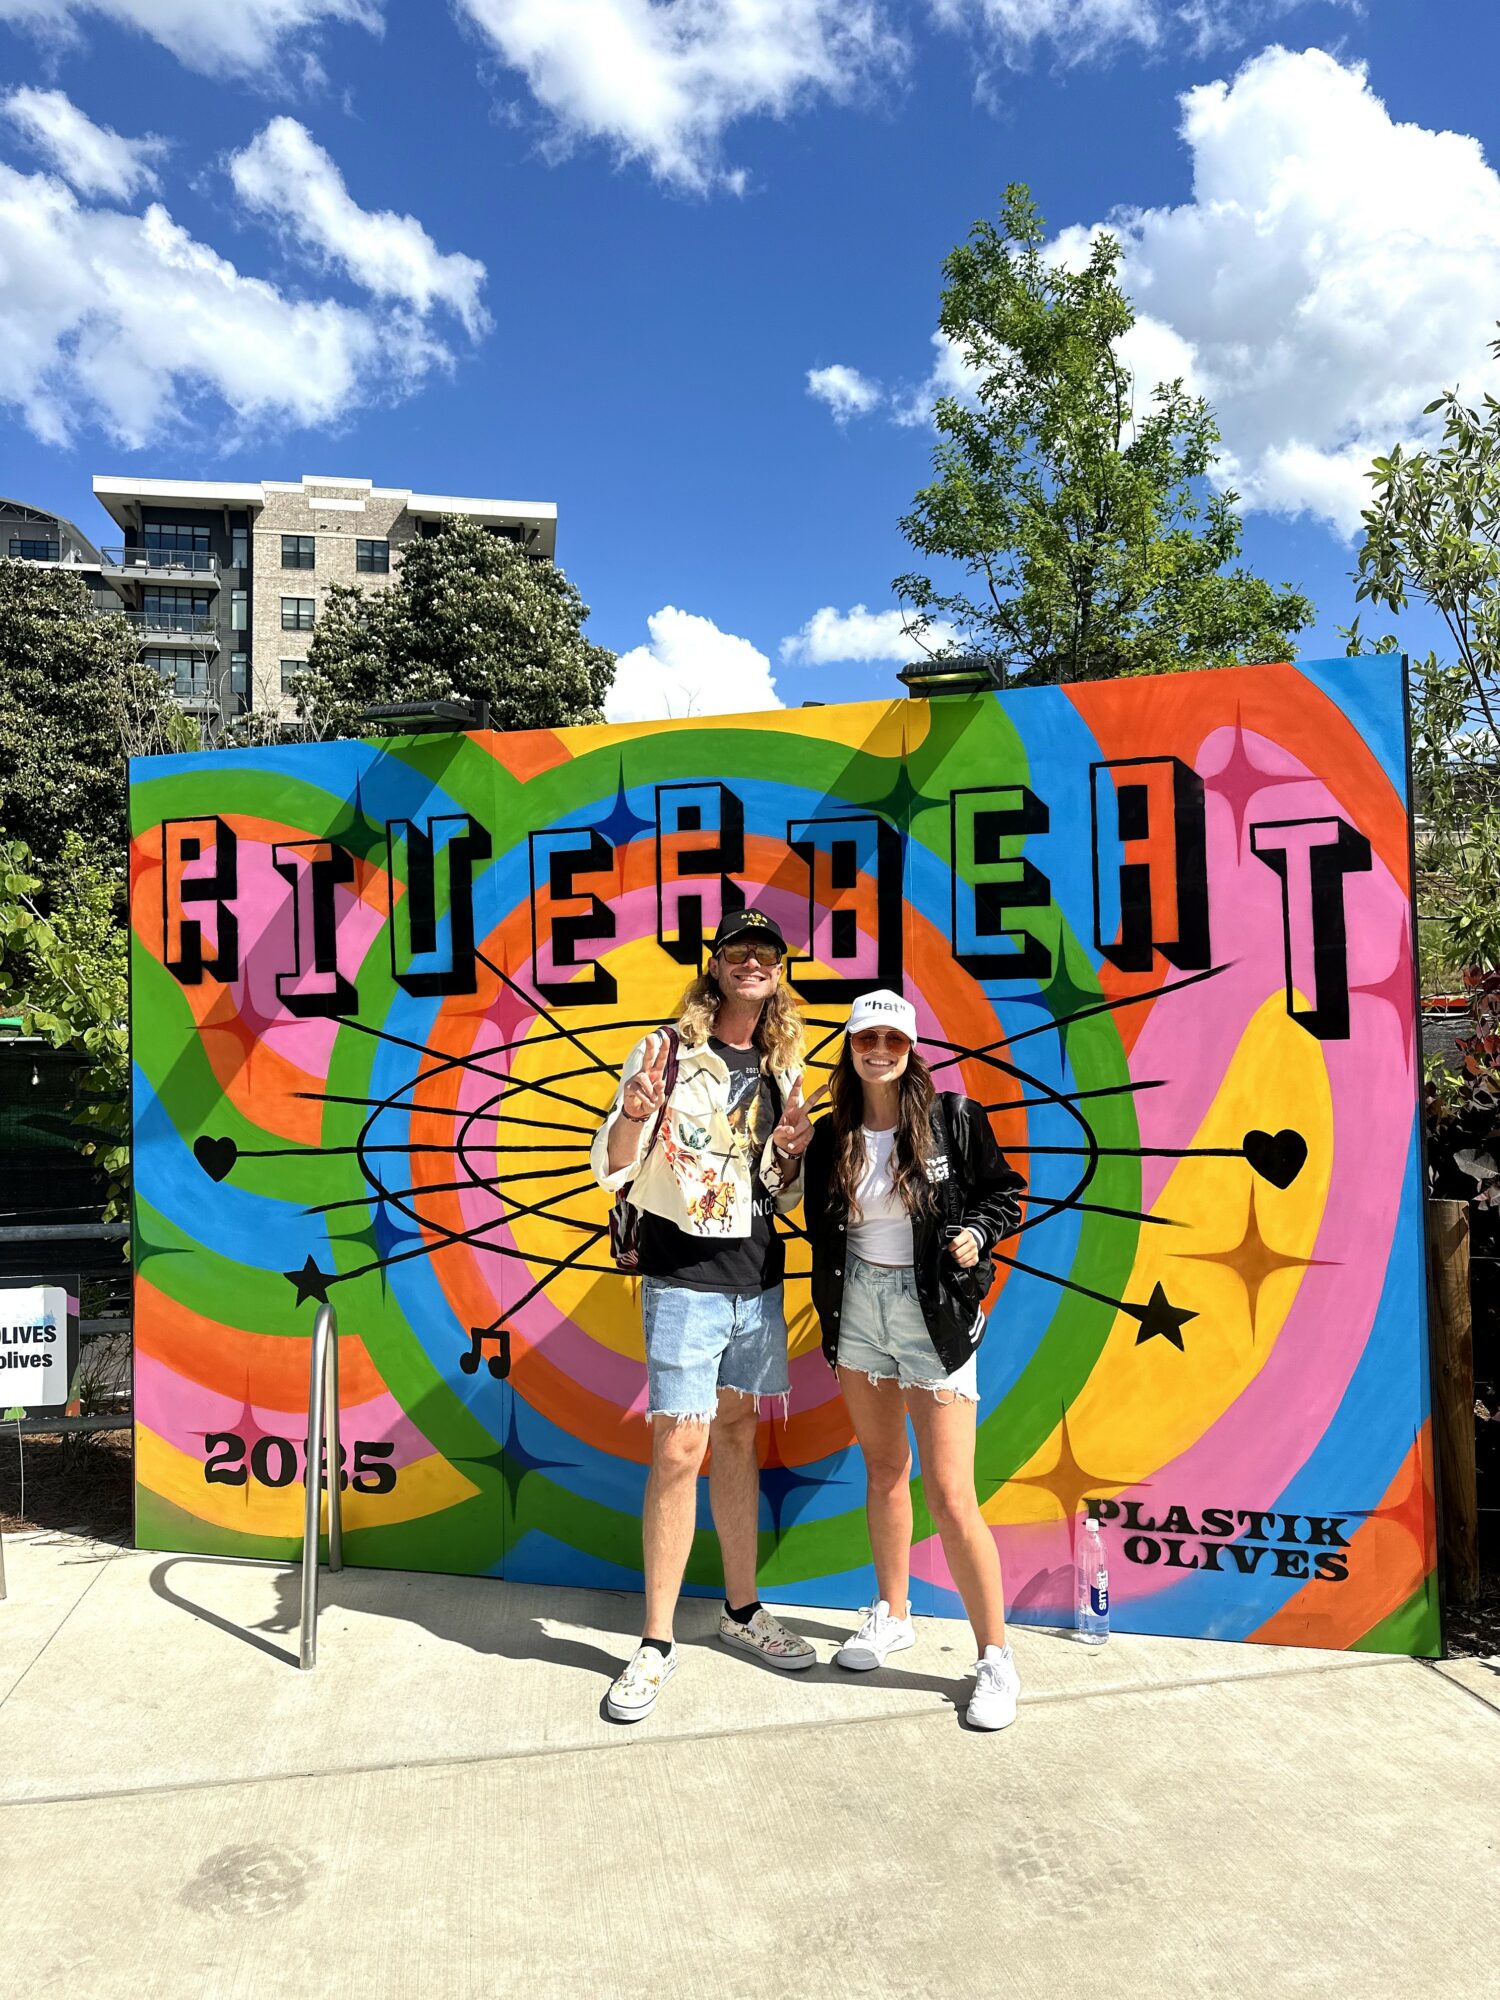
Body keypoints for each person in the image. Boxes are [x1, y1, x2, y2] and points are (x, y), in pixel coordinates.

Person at [591, 908, 821, 1722]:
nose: (753, 962)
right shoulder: (664, 1050)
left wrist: (790, 1154)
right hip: (683, 1280)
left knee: (735, 1437)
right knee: (677, 1449)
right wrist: (632, 1112)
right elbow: (610, 1169)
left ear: (779, 972)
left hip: (757, 1280)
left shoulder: (786, 1065)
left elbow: (781, 1195)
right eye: (738, 951)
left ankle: (741, 1610)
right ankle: (655, 1642)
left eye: (767, 953)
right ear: (715, 966)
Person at [801, 989, 1027, 1729]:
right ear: (850, 1046)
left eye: (893, 1041)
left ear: (911, 1049)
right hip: (857, 1311)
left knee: (952, 1496)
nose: (879, 1051)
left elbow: (1004, 1194)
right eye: (867, 1038)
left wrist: (976, 1234)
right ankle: (892, 1613)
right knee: (883, 1471)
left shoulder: (952, 1117)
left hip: (932, 1313)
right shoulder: (831, 1134)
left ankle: (995, 1658)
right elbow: (814, 1223)